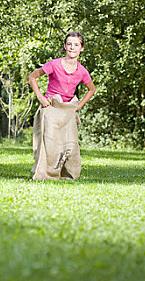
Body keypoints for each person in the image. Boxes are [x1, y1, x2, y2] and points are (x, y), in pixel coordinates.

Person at [28, 31, 96, 180]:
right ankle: (44, 174)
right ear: (65, 46)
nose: (72, 47)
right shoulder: (54, 64)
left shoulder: (82, 71)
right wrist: (40, 98)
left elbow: (91, 89)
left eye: (76, 45)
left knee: (69, 146)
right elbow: (32, 77)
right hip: (51, 108)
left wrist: (78, 107)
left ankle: (66, 174)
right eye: (69, 44)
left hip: (67, 112)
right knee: (50, 145)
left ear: (82, 48)